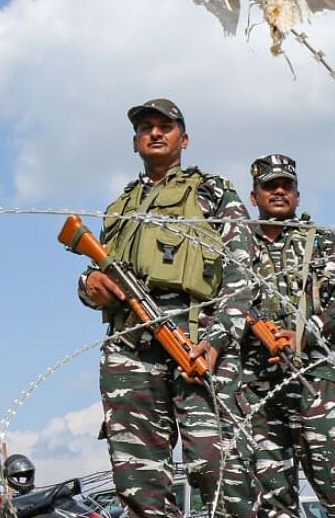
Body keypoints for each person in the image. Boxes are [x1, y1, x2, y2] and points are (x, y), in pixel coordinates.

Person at [77, 99, 255, 518]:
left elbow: (243, 271)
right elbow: (93, 274)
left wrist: (216, 339)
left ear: (184, 139)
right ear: (135, 143)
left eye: (165, 127)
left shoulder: (213, 192)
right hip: (130, 346)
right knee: (139, 480)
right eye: (146, 128)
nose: (155, 133)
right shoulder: (120, 206)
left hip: (194, 340)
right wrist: (90, 286)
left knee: (217, 468)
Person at [235, 154, 335, 518]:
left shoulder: (318, 241)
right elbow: (224, 302)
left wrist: (305, 334)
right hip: (259, 385)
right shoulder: (238, 244)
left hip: (315, 381)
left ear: (297, 194)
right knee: (272, 500)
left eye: (286, 186)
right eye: (269, 186)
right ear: (253, 195)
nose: (278, 192)